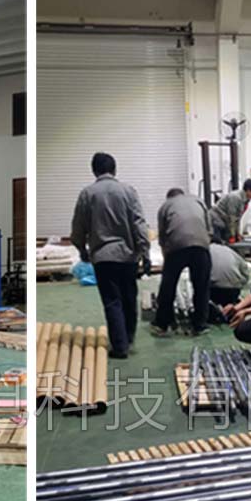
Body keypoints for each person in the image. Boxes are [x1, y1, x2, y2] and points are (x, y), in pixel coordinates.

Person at [70, 152, 150, 358]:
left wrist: (82, 249)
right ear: (114, 169)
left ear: (94, 170)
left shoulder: (88, 194)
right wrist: (145, 252)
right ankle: (129, 338)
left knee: (112, 301)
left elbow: (78, 227)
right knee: (129, 298)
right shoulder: (128, 191)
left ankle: (120, 346)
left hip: (103, 257)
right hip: (128, 256)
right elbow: (139, 224)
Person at [151, 188, 213, 336]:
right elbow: (209, 230)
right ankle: (200, 325)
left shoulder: (166, 206)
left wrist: (167, 260)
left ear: (169, 197)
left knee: (168, 286)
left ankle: (162, 324)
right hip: (201, 246)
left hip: (177, 247)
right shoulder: (198, 201)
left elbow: (162, 237)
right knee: (201, 286)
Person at [210, 179, 251, 244]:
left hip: (224, 220)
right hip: (216, 221)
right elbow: (232, 218)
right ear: (248, 190)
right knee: (220, 243)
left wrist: (237, 234)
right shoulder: (235, 197)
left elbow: (237, 218)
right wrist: (232, 235)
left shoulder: (245, 199)